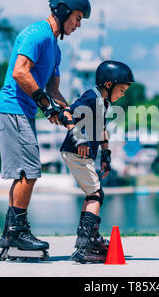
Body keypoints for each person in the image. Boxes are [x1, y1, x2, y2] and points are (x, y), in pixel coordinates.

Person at [0, 0, 91, 261]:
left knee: (26, 171)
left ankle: (12, 234)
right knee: (29, 171)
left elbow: (54, 91)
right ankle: (16, 234)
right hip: (12, 108)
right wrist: (46, 105)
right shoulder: (37, 33)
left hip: (22, 111)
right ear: (62, 10)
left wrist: (70, 116)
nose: (79, 24)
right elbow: (20, 72)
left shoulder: (55, 49)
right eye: (78, 17)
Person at [60, 60, 135, 263]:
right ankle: (87, 245)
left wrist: (106, 155)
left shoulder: (104, 102)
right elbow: (67, 113)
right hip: (76, 151)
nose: (122, 94)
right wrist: (78, 138)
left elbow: (101, 129)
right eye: (121, 89)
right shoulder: (91, 97)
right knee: (96, 194)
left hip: (82, 155)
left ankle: (86, 241)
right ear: (109, 85)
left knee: (92, 193)